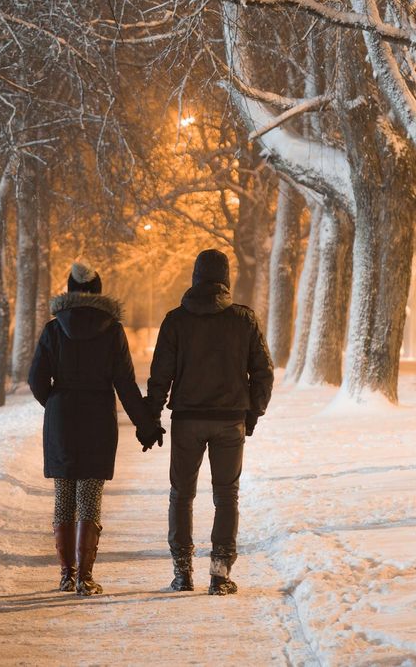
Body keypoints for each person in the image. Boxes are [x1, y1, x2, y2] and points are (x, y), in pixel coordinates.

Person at [29, 262, 163, 596]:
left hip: (62, 419)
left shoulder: (53, 329)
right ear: (98, 292)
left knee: (64, 496)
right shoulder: (112, 330)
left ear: (69, 292)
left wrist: (56, 403)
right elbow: (126, 385)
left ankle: (65, 573)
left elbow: (35, 379)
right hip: (98, 420)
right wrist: (146, 425)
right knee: (89, 496)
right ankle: (84, 578)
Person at [145, 248, 274, 595]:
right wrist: (252, 413)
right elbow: (263, 373)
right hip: (230, 421)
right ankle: (219, 573)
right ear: (226, 279)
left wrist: (151, 416)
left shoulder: (176, 321)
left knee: (181, 495)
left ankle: (182, 572)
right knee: (226, 497)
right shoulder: (243, 320)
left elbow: (161, 375)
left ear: (195, 278)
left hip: (187, 420)